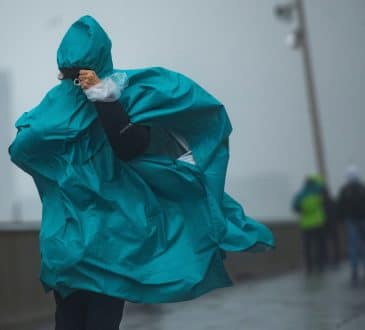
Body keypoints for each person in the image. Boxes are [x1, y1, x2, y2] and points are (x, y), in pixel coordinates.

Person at [9, 16, 274, 330]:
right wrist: (103, 99)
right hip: (108, 245)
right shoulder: (121, 98)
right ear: (101, 56)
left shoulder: (48, 114)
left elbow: (21, 149)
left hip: (65, 246)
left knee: (67, 322)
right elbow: (130, 145)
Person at [293, 175, 327, 274]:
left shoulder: (300, 195)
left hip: (306, 224)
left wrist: (302, 211)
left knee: (307, 247)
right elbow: (322, 184)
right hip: (318, 222)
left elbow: (295, 207)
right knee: (319, 245)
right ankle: (320, 266)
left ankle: (309, 268)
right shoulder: (318, 192)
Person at [337, 165, 365, 286]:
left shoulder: (344, 190)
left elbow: (340, 206)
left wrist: (341, 219)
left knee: (353, 245)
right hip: (362, 218)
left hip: (350, 220)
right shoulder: (362, 188)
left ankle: (354, 270)